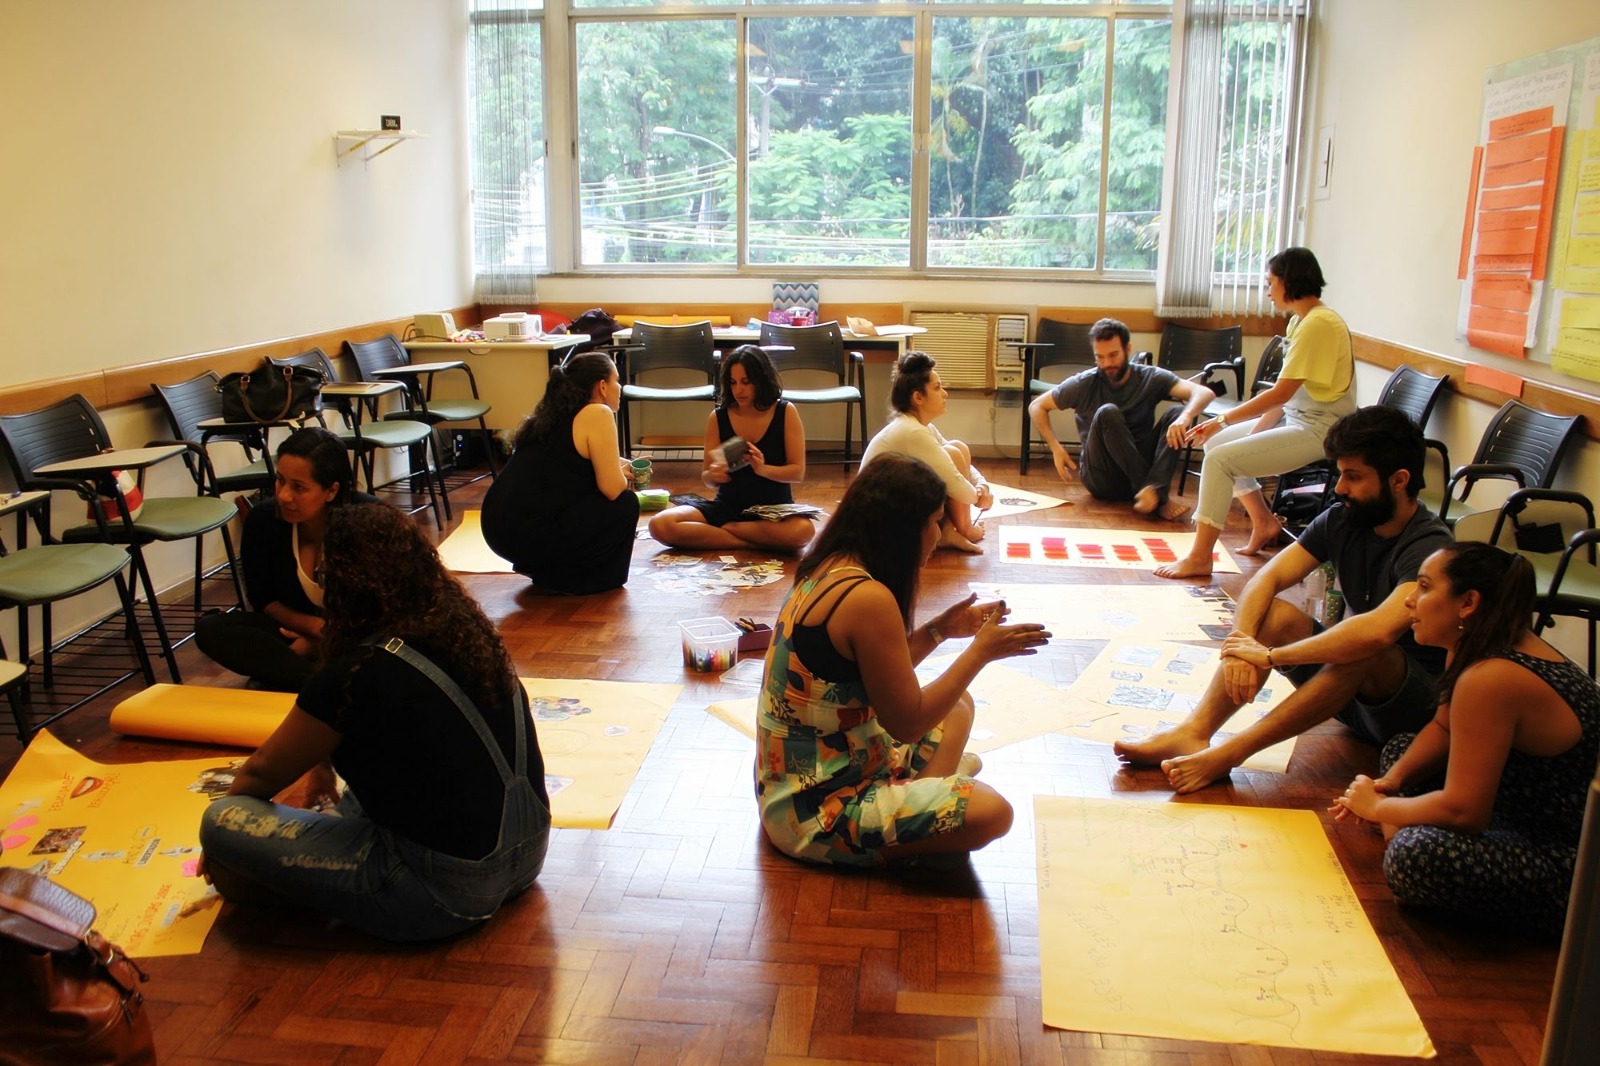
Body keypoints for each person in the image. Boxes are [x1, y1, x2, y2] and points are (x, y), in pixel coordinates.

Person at [198, 504, 550, 941]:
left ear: (340, 584)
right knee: (360, 795)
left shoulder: (355, 669)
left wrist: (222, 850)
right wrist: (322, 765)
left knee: (222, 820)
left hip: (443, 895)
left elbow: (259, 772)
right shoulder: (468, 633)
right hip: (528, 855)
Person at [1116, 406, 1453, 793]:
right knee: (1271, 616)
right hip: (1352, 696)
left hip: (1411, 711)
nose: (1340, 488)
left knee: (1363, 649)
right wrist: (1241, 647)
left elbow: (1376, 634)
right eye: (1341, 474)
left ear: (1398, 480)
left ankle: (1231, 753)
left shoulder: (1429, 547)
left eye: (1354, 477)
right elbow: (1267, 578)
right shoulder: (1344, 517)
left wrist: (1272, 657)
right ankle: (1195, 731)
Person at [755, 453, 1051, 867]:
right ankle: (922, 810)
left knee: (958, 707)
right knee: (993, 813)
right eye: (934, 522)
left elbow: (872, 676)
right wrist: (980, 652)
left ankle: (924, 796)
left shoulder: (830, 566)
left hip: (801, 780)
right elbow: (907, 722)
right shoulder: (867, 597)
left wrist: (940, 629)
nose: (939, 532)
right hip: (815, 814)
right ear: (903, 529)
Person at [1332, 543, 1600, 938]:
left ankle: (1401, 832)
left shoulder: (1491, 676)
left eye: (1424, 587)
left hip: (1571, 862)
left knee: (1415, 857)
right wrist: (1393, 784)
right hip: (1514, 802)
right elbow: (1443, 729)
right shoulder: (1474, 644)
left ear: (1468, 603)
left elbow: (1464, 812)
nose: (1410, 600)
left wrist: (1377, 808)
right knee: (1400, 750)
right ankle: (1403, 821)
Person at [1156, 247, 1357, 578]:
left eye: (1270, 282)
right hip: (1298, 420)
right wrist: (1242, 433)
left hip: (1322, 432)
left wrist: (1222, 419)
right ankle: (1263, 522)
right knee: (1217, 446)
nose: (1268, 291)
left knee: (1220, 460)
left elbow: (1281, 393)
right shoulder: (1301, 321)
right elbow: (1285, 399)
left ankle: (1200, 556)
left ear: (1288, 281)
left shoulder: (1319, 324)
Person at [194, 427, 376, 692]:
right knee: (212, 629)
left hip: (359, 633)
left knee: (382, 646)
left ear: (331, 490)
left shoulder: (370, 521)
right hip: (301, 628)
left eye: (299, 487)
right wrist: (317, 630)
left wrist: (333, 639)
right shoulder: (263, 521)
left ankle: (298, 675)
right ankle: (323, 683)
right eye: (280, 480)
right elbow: (263, 598)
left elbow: (386, 611)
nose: (283, 496)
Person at [480, 351, 639, 594]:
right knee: (625, 503)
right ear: (603, 386)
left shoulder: (554, 413)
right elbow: (612, 488)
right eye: (617, 380)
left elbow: (569, 460)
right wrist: (623, 473)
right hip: (527, 532)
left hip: (497, 528)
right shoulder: (597, 412)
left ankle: (546, 569)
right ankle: (579, 580)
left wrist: (616, 465)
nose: (621, 387)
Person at [1027, 317, 1214, 519]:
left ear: (1128, 349)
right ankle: (1158, 496)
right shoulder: (1084, 382)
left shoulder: (1150, 376)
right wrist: (1055, 447)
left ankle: (1152, 492)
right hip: (1102, 478)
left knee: (1176, 413)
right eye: (1100, 357)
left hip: (1139, 472)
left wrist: (1185, 417)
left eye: (1113, 355)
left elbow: (1204, 393)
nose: (1107, 363)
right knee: (1107, 412)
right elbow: (1037, 405)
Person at [647, 345, 817, 551]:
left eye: (746, 382)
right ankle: (747, 540)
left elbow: (797, 472)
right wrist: (715, 475)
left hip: (773, 511)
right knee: (660, 525)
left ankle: (726, 533)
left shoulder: (785, 411)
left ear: (760, 380)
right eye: (733, 383)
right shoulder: (718, 417)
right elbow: (707, 478)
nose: (739, 390)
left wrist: (763, 469)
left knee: (803, 531)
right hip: (727, 507)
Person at [859, 351, 993, 553]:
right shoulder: (912, 432)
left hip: (893, 507)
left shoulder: (919, 426)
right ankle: (965, 529)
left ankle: (947, 532)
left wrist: (981, 484)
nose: (945, 393)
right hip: (878, 520)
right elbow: (954, 479)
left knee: (956, 447)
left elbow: (960, 462)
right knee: (953, 454)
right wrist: (978, 498)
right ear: (918, 397)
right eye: (938, 388)